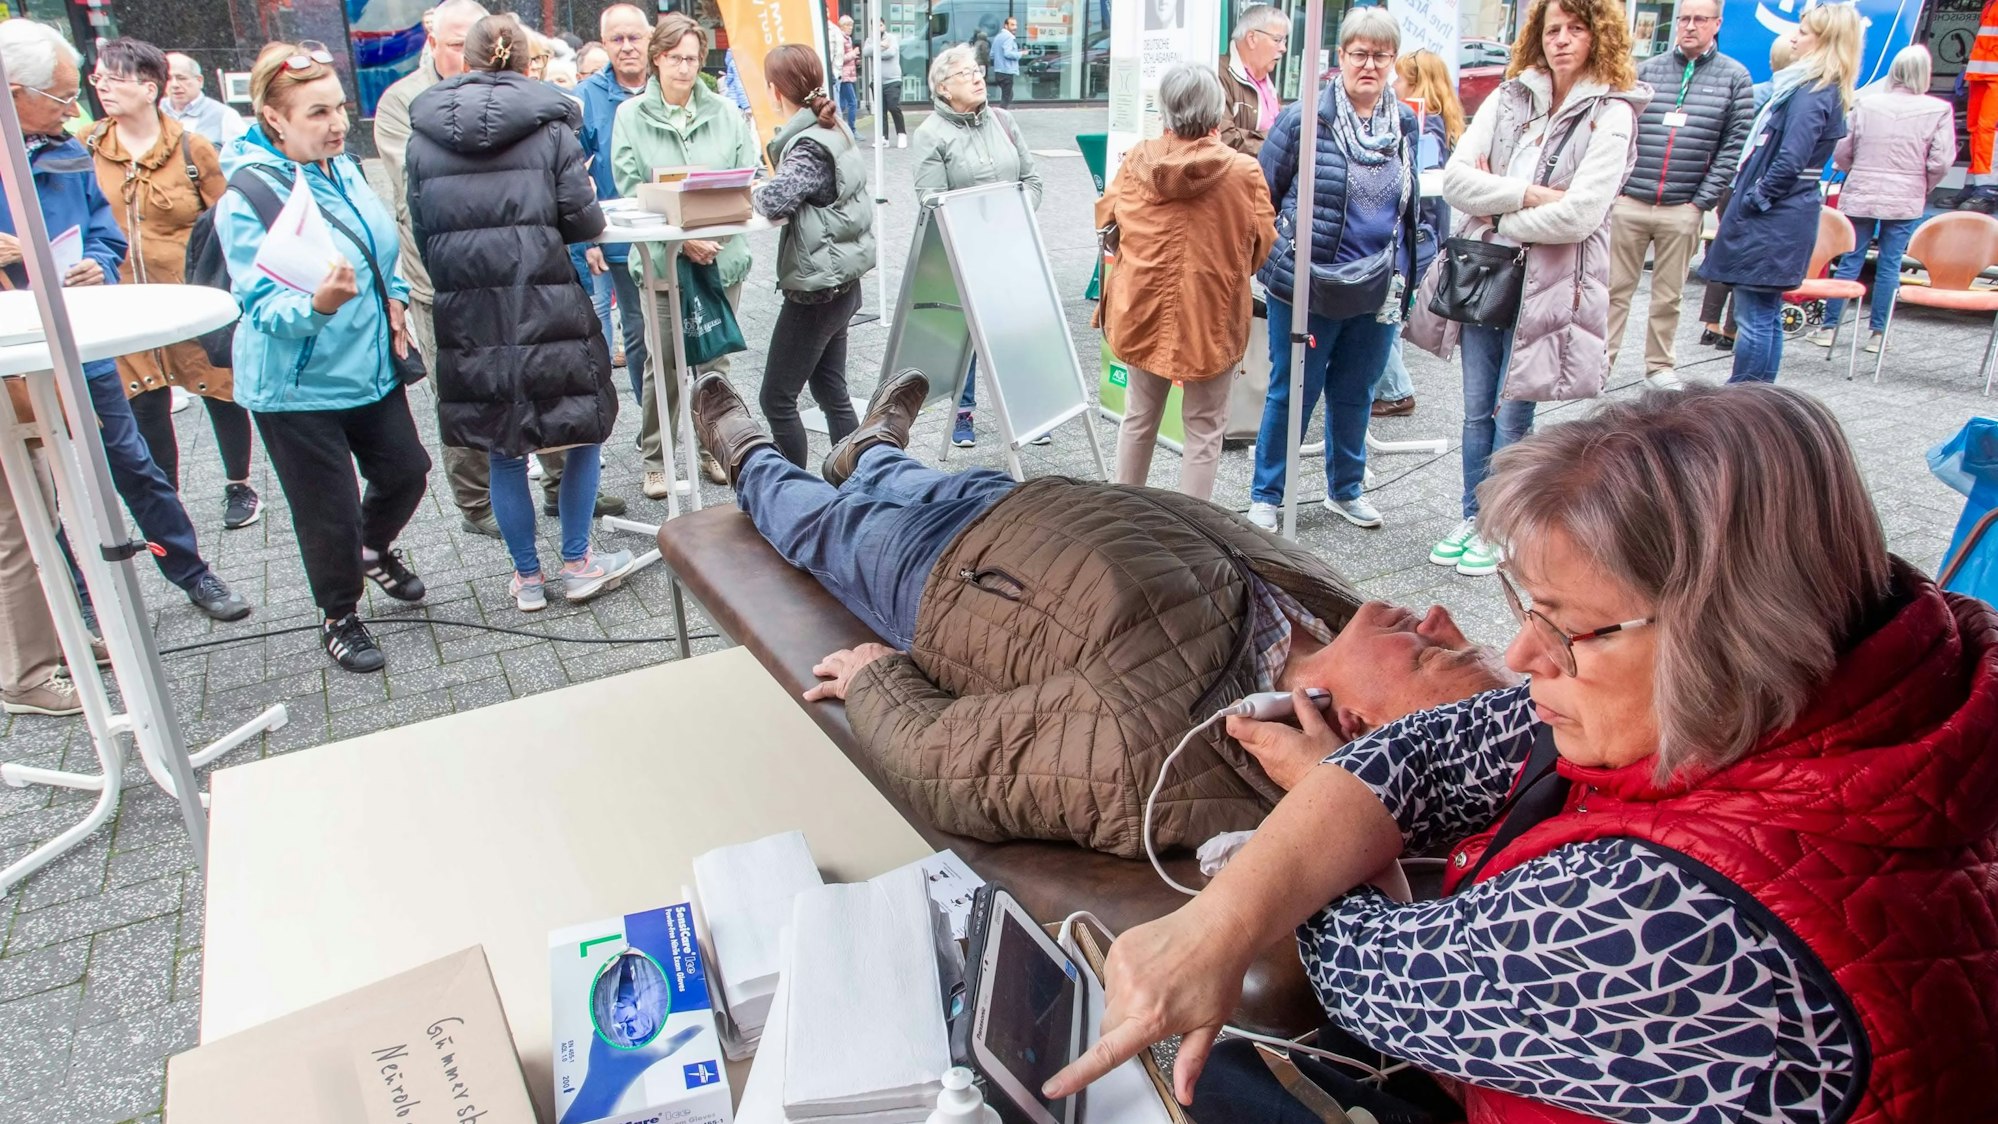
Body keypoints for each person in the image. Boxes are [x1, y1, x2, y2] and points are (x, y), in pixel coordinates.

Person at [1049, 384, 1998, 1123]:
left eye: (1570, 629)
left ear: (1736, 632)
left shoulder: (1689, 930)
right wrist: (1216, 929)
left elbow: (1373, 974)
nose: (1518, 656)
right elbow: (1423, 754)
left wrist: (1272, 862)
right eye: (1527, 611)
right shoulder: (1833, 680)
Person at [690, 369, 1514, 856]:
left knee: (820, 523)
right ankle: (870, 451)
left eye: (1436, 656)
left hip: (942, 584)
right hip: (1032, 508)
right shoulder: (1336, 615)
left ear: (1360, 727)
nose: (1440, 616)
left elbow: (951, 767)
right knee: (917, 482)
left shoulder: (1168, 754)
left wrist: (876, 682)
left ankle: (749, 456)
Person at [0, 18, 251, 626]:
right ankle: (77, 601)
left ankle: (191, 571)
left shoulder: (66, 151)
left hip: (82, 336)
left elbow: (103, 230)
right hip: (14, 354)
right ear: (13, 95)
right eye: (62, 96)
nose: (74, 108)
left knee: (132, 461)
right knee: (32, 489)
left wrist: (97, 261)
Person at [1407, 0, 1646, 577]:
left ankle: (1505, 525)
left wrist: (1500, 210)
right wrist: (1533, 196)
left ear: (1599, 35)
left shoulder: (1612, 113)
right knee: (1474, 411)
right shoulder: (1511, 95)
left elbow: (1582, 215)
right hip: (1486, 272)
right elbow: (1458, 181)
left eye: (1575, 28)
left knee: (1514, 413)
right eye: (1552, 29)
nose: (1561, 40)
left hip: (1550, 283)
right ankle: (1473, 515)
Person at [216, 41, 432, 672]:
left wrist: (392, 294)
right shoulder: (249, 195)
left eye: (339, 108)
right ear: (274, 118)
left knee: (406, 472)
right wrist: (318, 305)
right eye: (317, 113)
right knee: (326, 511)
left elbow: (377, 247)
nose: (338, 123)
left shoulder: (340, 166)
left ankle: (370, 549)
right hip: (295, 387)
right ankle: (340, 615)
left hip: (367, 367)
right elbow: (258, 306)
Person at [407, 14, 633, 612]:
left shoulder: (422, 134)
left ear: (469, 61)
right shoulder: (553, 126)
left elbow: (424, 229)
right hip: (545, 299)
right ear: (527, 64)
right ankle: (578, 562)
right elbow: (585, 222)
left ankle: (527, 578)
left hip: (470, 311)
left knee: (503, 446)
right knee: (579, 428)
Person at [1246, 8, 1424, 535]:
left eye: (1380, 55)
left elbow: (1415, 208)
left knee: (1357, 389)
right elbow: (1261, 196)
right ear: (1340, 57)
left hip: (1378, 284)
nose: (1369, 65)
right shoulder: (1306, 118)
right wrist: (1283, 255)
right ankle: (1267, 493)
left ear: (1393, 62)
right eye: (1359, 54)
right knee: (1293, 389)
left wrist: (1414, 268)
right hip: (1310, 283)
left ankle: (1345, 489)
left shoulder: (1405, 123)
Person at [86, 38, 262, 531]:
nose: (102, 87)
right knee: (145, 398)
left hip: (190, 297)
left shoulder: (191, 147)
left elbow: (226, 218)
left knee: (217, 389)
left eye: (114, 78)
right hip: (120, 302)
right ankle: (168, 500)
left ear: (149, 87)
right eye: (98, 77)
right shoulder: (88, 147)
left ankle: (239, 485)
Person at [1098, 64, 1273, 502]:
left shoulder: (1137, 161)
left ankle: (1123, 514)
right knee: (1205, 427)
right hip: (1210, 313)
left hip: (1141, 309)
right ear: (1217, 111)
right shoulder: (1243, 173)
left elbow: (1107, 224)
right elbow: (1260, 247)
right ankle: (1192, 527)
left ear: (1166, 111)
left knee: (1139, 416)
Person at [611, 13, 761, 496]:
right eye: (675, 58)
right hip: (662, 261)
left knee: (715, 361)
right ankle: (657, 458)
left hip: (720, 256)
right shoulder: (631, 116)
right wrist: (681, 235)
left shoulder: (723, 110)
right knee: (665, 363)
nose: (685, 68)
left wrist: (710, 232)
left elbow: (743, 177)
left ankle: (713, 449)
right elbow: (633, 186)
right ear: (657, 59)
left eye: (693, 59)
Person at [1700, 3, 1861, 384]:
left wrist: (1757, 197)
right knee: (1763, 312)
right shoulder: (1820, 89)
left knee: (1754, 315)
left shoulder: (1810, 92)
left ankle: (1745, 397)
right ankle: (1757, 395)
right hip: (1784, 214)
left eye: (1804, 32)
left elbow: (1791, 158)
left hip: (1773, 218)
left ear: (1825, 40)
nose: (1795, 37)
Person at [1605, 0, 1753, 386]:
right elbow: (1622, 133)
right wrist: (1618, 189)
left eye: (1699, 19)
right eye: (1683, 18)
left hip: (1683, 205)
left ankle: (1659, 366)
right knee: (1613, 289)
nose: (1689, 26)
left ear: (1716, 24)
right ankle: (1600, 362)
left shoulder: (1735, 78)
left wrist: (1699, 203)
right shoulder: (1647, 71)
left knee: (1668, 296)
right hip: (1632, 198)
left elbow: (1731, 149)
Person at [749, 44, 876, 470]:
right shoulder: (834, 128)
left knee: (776, 398)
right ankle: (859, 483)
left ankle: (791, 496)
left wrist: (748, 190)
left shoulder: (807, 145)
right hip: (842, 284)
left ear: (774, 91)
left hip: (817, 293)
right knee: (830, 392)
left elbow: (774, 200)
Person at [911, 43, 1043, 449]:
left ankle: (1030, 410)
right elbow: (930, 200)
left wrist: (1013, 218)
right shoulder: (930, 134)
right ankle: (962, 414)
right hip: (963, 254)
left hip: (1011, 247)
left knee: (1016, 329)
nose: (978, 77)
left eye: (978, 70)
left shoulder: (1003, 121)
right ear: (944, 89)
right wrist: (979, 227)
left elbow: (1032, 181)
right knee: (966, 336)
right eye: (966, 73)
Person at [1810, 44, 1953, 355]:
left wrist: (1855, 171)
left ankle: (1828, 328)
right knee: (1890, 265)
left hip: (1861, 190)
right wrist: (1923, 184)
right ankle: (1878, 334)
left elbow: (1842, 150)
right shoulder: (1938, 110)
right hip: (1905, 198)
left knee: (1850, 260)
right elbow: (1940, 161)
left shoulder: (1866, 104)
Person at [1371, 47, 1462, 419]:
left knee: (1386, 316)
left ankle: (1396, 389)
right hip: (1425, 236)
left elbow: (1417, 187)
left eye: (1400, 76)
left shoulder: (1425, 127)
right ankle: (1390, 386)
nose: (1393, 82)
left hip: (1415, 237)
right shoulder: (1442, 125)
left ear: (1416, 81)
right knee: (1389, 314)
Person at [1698, 34, 1795, 352]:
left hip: (1732, 183)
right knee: (1748, 262)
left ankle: (1710, 324)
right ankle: (1731, 329)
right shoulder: (1789, 97)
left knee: (1723, 251)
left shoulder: (1753, 94)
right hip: (1758, 187)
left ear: (1772, 62)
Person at [1219, 3, 1287, 156]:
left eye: (1285, 41)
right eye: (1277, 40)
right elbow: (1223, 137)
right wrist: (1276, 143)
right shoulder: (1220, 75)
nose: (1283, 48)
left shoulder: (1266, 80)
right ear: (1251, 38)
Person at [160, 52, 245, 147]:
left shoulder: (225, 115)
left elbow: (241, 156)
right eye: (168, 79)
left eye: (182, 78)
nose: (174, 85)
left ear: (200, 81)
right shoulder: (154, 111)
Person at [1964, 0, 1998, 212]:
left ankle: (1988, 189)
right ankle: (1974, 184)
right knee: (1976, 128)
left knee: (1989, 130)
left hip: (1993, 76)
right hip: (1981, 72)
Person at [874, 20, 906, 147]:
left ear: (884, 25)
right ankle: (883, 138)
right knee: (880, 110)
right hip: (877, 81)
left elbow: (891, 53)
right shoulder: (870, 40)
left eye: (880, 25)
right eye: (876, 26)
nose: (879, 28)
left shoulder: (892, 38)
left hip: (893, 80)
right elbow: (866, 52)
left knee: (893, 107)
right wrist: (881, 46)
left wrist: (877, 50)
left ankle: (902, 134)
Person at [835, 15, 860, 132]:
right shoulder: (841, 39)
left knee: (842, 104)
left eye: (851, 25)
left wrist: (856, 60)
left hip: (849, 75)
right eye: (848, 25)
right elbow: (840, 58)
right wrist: (853, 54)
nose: (850, 28)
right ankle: (851, 129)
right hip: (844, 76)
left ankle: (839, 126)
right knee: (852, 103)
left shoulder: (848, 39)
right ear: (842, 26)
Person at [990, 16, 1021, 109]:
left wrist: (999, 60)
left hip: (998, 71)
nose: (1015, 27)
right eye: (1012, 25)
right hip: (1007, 71)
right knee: (1006, 97)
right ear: (1006, 26)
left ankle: (1003, 113)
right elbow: (1008, 54)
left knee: (1008, 95)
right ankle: (1000, 115)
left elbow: (992, 54)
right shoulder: (1009, 37)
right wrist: (1020, 54)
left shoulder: (998, 37)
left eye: (1016, 25)